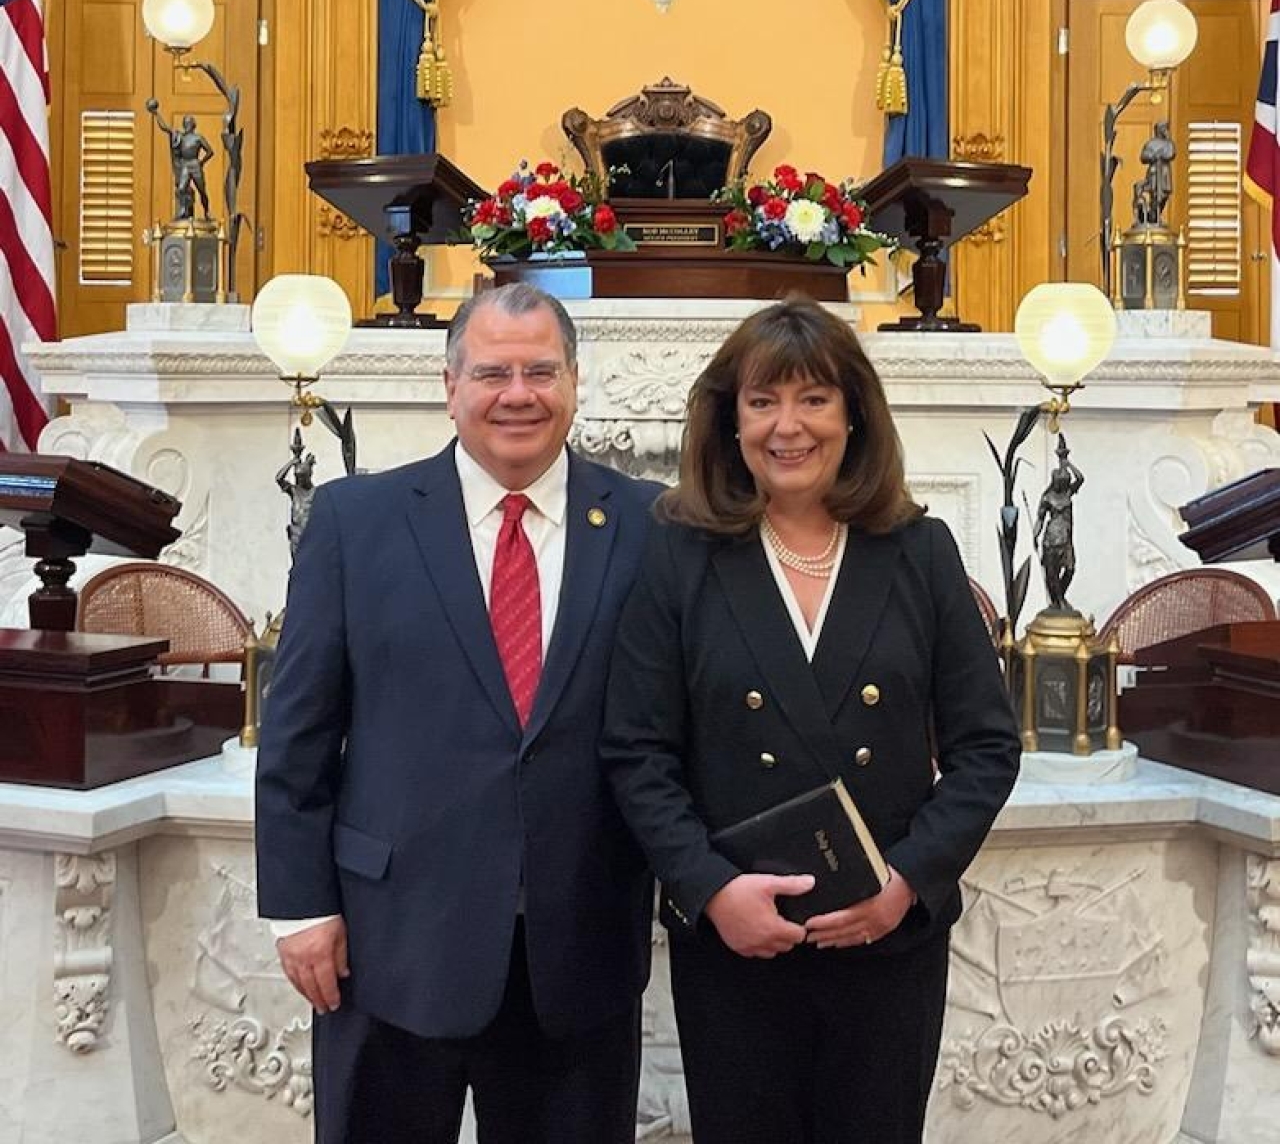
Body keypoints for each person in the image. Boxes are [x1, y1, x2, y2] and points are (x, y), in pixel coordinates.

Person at [601, 296, 1021, 1144]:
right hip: (736, 945)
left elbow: (986, 745)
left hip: (888, 942)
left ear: (854, 412)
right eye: (762, 401)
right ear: (731, 420)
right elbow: (637, 751)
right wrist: (711, 890)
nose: (787, 426)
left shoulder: (919, 550)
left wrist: (904, 881)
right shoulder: (679, 552)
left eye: (813, 399)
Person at [255, 284, 661, 1144]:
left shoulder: (647, 523)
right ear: (450, 387)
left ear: (576, 383)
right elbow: (297, 735)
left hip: (577, 944)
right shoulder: (354, 521)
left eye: (541, 370)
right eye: (492, 372)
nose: (518, 392)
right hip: (388, 943)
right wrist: (300, 908)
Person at [1032, 432, 1084, 611]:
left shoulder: (1068, 494)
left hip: (1066, 538)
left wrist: (1066, 462)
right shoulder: (1047, 497)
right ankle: (1059, 601)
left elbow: (1081, 478)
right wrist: (1035, 535)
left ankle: (1060, 598)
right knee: (1052, 573)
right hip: (1051, 539)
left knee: (1070, 570)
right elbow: (1040, 519)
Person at [146, 99, 214, 221]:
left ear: (193, 125)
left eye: (189, 123)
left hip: (195, 164)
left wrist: (201, 162)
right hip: (185, 165)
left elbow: (210, 151)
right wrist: (156, 113)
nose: (187, 125)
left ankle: (207, 211)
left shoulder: (198, 138)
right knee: (181, 189)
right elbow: (165, 127)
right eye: (185, 123)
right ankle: (183, 209)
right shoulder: (180, 137)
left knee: (202, 190)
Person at [275, 428, 317, 560]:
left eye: (302, 478)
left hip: (310, 534)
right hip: (296, 534)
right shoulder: (294, 491)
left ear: (308, 476)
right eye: (297, 478)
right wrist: (292, 461)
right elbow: (279, 478)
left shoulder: (316, 493)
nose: (299, 480)